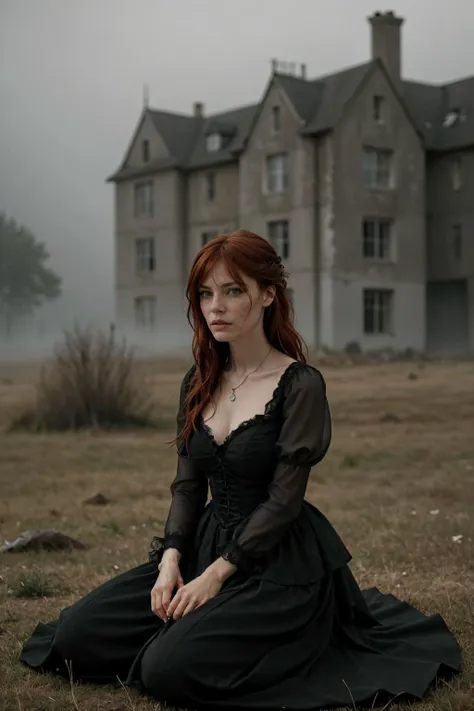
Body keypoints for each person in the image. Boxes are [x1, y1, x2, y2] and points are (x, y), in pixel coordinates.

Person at [21, 230, 461, 709]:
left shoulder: (301, 385)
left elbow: (284, 500)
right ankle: (178, 628)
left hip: (276, 559)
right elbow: (187, 488)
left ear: (268, 294)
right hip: (203, 544)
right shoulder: (198, 380)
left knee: (166, 671)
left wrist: (216, 575)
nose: (216, 307)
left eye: (233, 291)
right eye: (206, 294)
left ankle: (225, 638)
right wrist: (170, 561)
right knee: (75, 641)